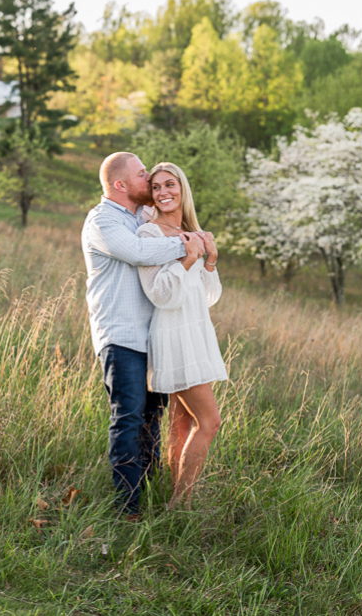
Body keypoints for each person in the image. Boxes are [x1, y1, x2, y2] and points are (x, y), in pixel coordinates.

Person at [82, 152, 199, 519]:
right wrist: (188, 244)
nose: (148, 179)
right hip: (121, 336)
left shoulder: (142, 217)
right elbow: (137, 253)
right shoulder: (102, 220)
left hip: (155, 335)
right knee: (128, 417)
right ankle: (127, 509)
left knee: (152, 416)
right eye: (141, 174)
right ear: (120, 185)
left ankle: (146, 490)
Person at [136, 162, 228, 510]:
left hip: (196, 331)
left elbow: (207, 298)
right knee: (211, 421)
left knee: (183, 421)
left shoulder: (194, 233)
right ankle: (180, 503)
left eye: (170, 185)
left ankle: (175, 491)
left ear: (182, 188)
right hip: (173, 335)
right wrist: (186, 261)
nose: (163, 193)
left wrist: (209, 261)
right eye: (156, 187)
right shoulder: (149, 236)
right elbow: (159, 294)